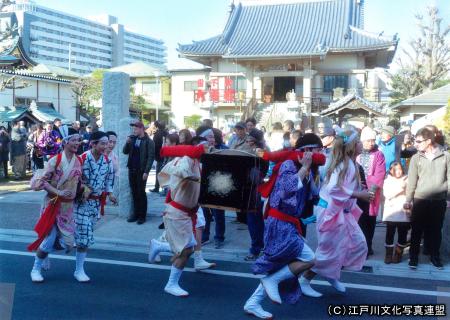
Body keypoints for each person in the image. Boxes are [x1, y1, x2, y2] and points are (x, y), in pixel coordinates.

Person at [243, 153, 317, 319]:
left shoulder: (306, 168)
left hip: (289, 223)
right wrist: (305, 167)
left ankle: (253, 303)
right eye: (313, 148)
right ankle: (270, 284)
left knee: (280, 265)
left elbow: (313, 194)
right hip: (279, 223)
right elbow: (288, 188)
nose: (315, 153)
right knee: (309, 258)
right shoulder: (288, 166)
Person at [300, 129, 372, 297]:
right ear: (352, 146)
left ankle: (330, 273)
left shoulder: (350, 162)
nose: (362, 144)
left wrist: (361, 192)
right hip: (331, 213)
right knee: (328, 251)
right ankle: (304, 279)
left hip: (341, 212)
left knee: (357, 244)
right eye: (359, 141)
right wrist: (358, 194)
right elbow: (333, 188)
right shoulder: (343, 164)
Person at [29, 127, 83, 282]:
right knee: (49, 240)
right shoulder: (55, 160)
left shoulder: (79, 160)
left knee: (67, 244)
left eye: (78, 140)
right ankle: (35, 269)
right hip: (52, 204)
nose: (77, 143)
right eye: (73, 140)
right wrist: (58, 192)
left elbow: (79, 181)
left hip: (67, 208)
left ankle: (44, 252)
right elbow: (43, 182)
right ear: (65, 142)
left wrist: (81, 192)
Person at [74, 131, 116, 282]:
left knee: (78, 235)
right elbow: (73, 178)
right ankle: (79, 270)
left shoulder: (107, 160)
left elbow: (109, 178)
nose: (107, 146)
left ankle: (45, 254)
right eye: (103, 143)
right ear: (93, 144)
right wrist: (81, 187)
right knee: (84, 236)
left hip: (95, 203)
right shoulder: (82, 158)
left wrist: (110, 194)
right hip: (81, 203)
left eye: (108, 143)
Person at [405, 127, 450, 270]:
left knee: (436, 231)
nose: (416, 144)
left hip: (439, 200)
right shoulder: (415, 157)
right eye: (415, 141)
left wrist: (448, 198)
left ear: (429, 141)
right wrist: (408, 200)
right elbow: (412, 180)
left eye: (418, 141)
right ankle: (413, 257)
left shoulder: (446, 156)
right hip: (420, 199)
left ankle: (435, 257)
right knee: (416, 230)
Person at [356, 127, 386, 256]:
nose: (371, 143)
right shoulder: (356, 154)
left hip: (372, 193)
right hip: (357, 192)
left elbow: (380, 174)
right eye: (368, 140)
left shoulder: (379, 154)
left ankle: (368, 246)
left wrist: (371, 190)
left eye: (373, 140)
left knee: (370, 221)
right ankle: (359, 247)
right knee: (358, 220)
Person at [123, 121, 155, 224]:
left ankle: (142, 216)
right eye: (133, 129)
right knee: (134, 193)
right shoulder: (132, 139)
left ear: (141, 128)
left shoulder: (149, 142)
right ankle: (135, 214)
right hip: (131, 169)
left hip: (141, 171)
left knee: (141, 193)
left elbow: (150, 158)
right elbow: (125, 151)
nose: (134, 130)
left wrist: (146, 171)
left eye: (136, 129)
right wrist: (127, 143)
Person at [382, 162, 409, 264]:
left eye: (400, 169)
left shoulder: (408, 179)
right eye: (395, 169)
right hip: (392, 212)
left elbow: (410, 194)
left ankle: (398, 254)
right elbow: (388, 194)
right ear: (391, 170)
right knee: (390, 234)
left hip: (404, 212)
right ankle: (388, 254)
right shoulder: (387, 180)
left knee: (402, 235)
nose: (398, 172)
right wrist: (401, 188)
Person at [151, 120, 168, 193]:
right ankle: (165, 188)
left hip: (159, 155)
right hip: (166, 155)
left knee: (158, 172)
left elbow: (155, 146)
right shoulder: (167, 133)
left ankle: (157, 187)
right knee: (165, 172)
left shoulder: (157, 134)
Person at [105, 131, 119, 202]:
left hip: (108, 192)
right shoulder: (97, 155)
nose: (112, 145)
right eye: (110, 142)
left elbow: (115, 177)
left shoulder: (115, 158)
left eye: (114, 142)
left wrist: (111, 194)